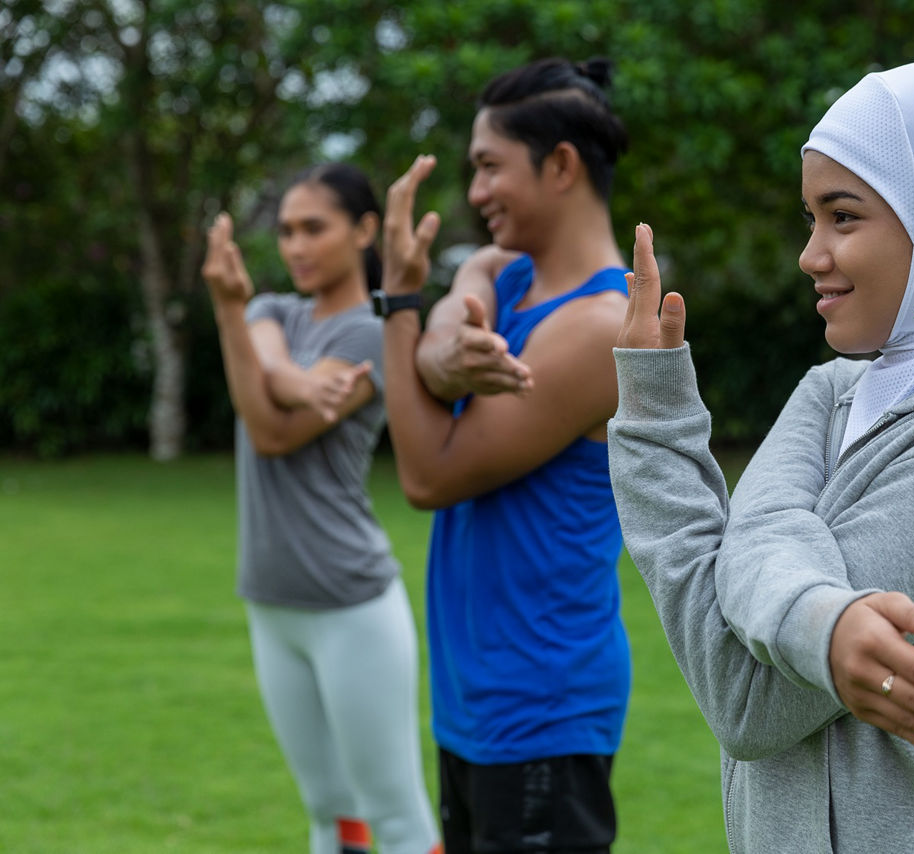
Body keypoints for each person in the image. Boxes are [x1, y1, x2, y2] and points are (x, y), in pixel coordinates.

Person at [607, 57, 914, 853]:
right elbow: (760, 534)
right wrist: (821, 618)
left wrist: (657, 436)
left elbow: (747, 699)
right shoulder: (835, 390)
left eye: (843, 217)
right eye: (811, 218)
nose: (811, 254)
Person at [373, 58, 631, 853]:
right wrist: (439, 344)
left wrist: (401, 306)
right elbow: (469, 287)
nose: (475, 191)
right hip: (477, 702)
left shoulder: (598, 327)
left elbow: (427, 474)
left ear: (560, 165)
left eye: (490, 167)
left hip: (542, 707)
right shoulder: (507, 278)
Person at [201, 163, 441, 854]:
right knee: (330, 816)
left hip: (350, 605)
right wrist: (300, 384)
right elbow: (270, 376)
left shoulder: (371, 336)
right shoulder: (270, 310)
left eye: (315, 228)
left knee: (394, 814)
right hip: (271, 601)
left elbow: (271, 432)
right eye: (285, 231)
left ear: (365, 230)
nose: (296, 246)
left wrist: (238, 331)